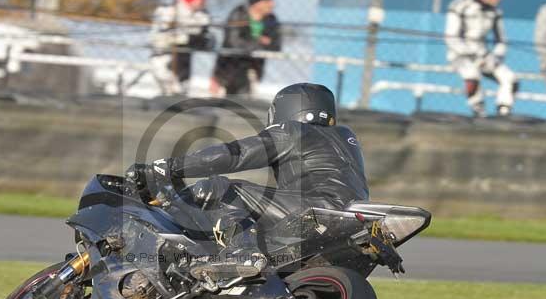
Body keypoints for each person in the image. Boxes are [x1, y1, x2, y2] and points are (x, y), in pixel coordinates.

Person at [127, 83, 368, 269]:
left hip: (318, 211)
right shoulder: (346, 137)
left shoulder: (294, 131)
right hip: (351, 220)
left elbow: (235, 154)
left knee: (220, 188)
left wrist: (165, 168)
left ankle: (241, 254)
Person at [444, 0, 518, 117]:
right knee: (472, 75)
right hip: (459, 55)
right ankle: (478, 111)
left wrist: (495, 56)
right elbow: (451, 37)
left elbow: (501, 40)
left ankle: (503, 113)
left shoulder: (496, 12)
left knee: (510, 78)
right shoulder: (460, 6)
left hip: (485, 55)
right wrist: (471, 53)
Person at [212, 0, 282, 97]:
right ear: (257, 2)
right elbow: (233, 42)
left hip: (254, 70)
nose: (272, 4)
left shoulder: (271, 20)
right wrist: (259, 42)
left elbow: (276, 45)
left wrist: (253, 43)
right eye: (267, 0)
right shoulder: (239, 14)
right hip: (229, 69)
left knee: (246, 104)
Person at [149, 0, 214, 96]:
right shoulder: (169, 11)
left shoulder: (203, 16)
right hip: (165, 59)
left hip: (185, 63)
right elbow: (158, 38)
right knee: (169, 93)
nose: (204, 1)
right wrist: (186, 39)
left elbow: (210, 39)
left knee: (181, 95)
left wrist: (203, 41)